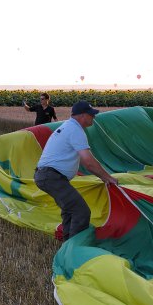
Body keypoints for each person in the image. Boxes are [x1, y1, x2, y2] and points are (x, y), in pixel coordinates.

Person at [34, 100, 118, 242]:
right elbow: (89, 162)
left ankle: (68, 245)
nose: (94, 117)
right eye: (91, 114)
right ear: (83, 115)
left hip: (47, 175)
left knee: (69, 211)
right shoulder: (75, 130)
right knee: (81, 211)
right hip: (51, 176)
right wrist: (108, 178)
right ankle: (74, 249)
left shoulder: (67, 126)